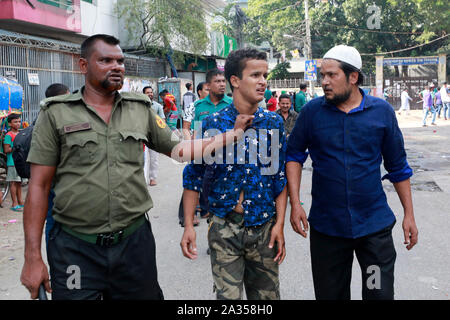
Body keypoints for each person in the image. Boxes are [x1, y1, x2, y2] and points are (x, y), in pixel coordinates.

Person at [20, 34, 254, 300]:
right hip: (75, 248)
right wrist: (32, 257)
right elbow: (38, 187)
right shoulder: (56, 113)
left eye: (120, 60)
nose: (116, 66)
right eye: (105, 60)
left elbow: (180, 150)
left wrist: (230, 136)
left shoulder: (139, 109)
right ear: (84, 66)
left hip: (133, 244)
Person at [286, 45, 418, 300]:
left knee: (377, 292)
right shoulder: (312, 113)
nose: (324, 82)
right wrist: (296, 203)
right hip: (328, 231)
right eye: (322, 75)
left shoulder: (381, 113)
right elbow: (294, 156)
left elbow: (398, 166)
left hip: (373, 231)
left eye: (331, 75)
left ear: (353, 77)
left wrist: (409, 214)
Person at [181, 48, 288, 300]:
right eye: (255, 75)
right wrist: (188, 225)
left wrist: (280, 225)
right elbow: (193, 176)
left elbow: (279, 178)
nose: (263, 81)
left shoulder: (273, 123)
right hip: (224, 227)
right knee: (227, 300)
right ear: (235, 81)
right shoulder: (209, 123)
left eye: (265, 75)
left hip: (263, 227)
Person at [4, 113, 24, 212]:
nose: (18, 123)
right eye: (15, 122)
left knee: (19, 182)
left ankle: (20, 202)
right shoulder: (9, 135)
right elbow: (6, 150)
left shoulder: (20, 134)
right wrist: (15, 148)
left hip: (20, 162)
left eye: (19, 121)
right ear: (10, 124)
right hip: (12, 162)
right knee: (13, 183)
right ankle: (14, 203)